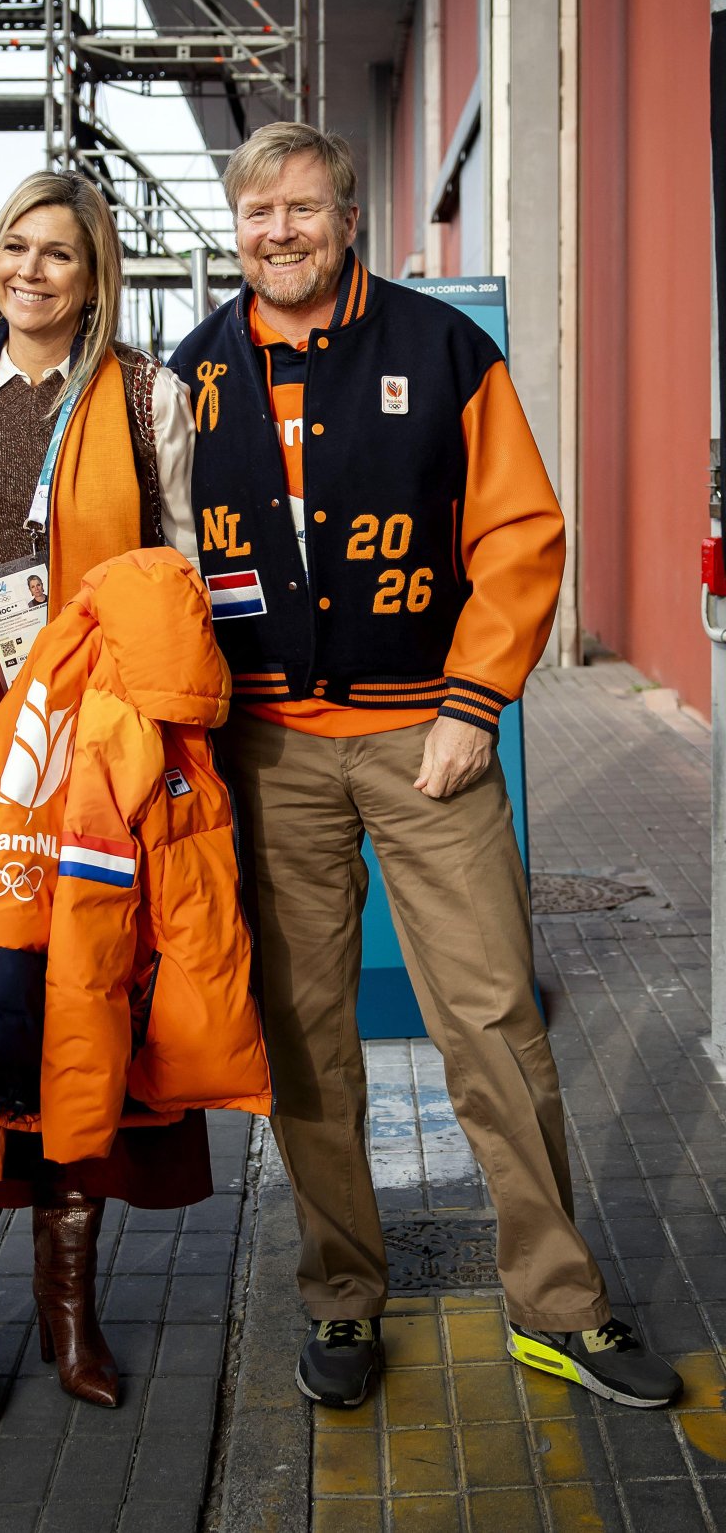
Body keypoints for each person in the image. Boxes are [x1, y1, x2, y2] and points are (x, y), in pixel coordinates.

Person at [166, 123, 682, 1412]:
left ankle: (559, 1307)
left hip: (424, 744)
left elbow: (519, 536)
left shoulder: (444, 351)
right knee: (306, 1040)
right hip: (269, 750)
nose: (275, 232)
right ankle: (341, 1297)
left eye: (299, 208)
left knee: (495, 1021)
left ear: (346, 216)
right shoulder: (191, 376)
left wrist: (470, 705)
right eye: (254, 214)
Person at [0, 169, 203, 1433]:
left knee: (84, 1006)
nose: (34, 271)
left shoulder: (146, 394)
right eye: (17, 245)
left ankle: (71, 1315)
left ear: (93, 270)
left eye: (60, 252)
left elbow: (180, 572)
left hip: (90, 749)